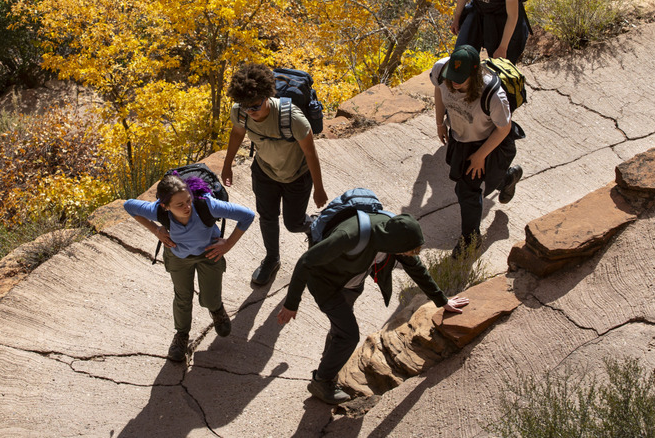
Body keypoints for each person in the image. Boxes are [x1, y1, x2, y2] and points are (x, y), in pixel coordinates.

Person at [276, 212, 469, 404]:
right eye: (410, 251)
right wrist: (291, 304)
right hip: (325, 285)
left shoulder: (395, 237)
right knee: (349, 335)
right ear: (397, 243)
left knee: (341, 330)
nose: (412, 255)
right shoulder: (350, 236)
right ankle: (321, 381)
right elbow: (305, 262)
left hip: (351, 284)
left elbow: (416, 269)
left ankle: (330, 364)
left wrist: (442, 301)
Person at [124, 173, 255, 362]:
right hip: (178, 257)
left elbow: (247, 216)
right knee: (183, 296)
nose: (187, 207)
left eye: (188, 200)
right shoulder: (157, 211)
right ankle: (181, 336)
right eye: (179, 205)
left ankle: (216, 310)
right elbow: (129, 206)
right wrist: (155, 230)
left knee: (210, 296)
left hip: (208, 255)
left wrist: (228, 245)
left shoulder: (206, 206)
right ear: (165, 206)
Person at [222, 63, 328, 286]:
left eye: (255, 106)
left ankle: (314, 225)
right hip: (264, 173)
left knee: (293, 223)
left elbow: (311, 153)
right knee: (267, 218)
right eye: (246, 106)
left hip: (296, 176)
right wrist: (227, 164)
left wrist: (318, 188)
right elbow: (236, 134)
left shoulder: (292, 117)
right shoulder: (240, 112)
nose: (251, 111)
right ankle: (272, 259)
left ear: (267, 97)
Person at [431, 44, 523, 258]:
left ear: (474, 74)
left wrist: (480, 156)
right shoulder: (441, 70)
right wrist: (440, 123)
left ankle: (470, 240)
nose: (453, 81)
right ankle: (508, 178)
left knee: (466, 190)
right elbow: (438, 87)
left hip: (489, 143)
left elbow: (504, 129)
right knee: (471, 182)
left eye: (460, 77)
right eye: (451, 75)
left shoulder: (492, 94)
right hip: (461, 137)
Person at [451, 0, 531, 64]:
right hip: (479, 11)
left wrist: (503, 48)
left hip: (504, 20)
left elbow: (512, 17)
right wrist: (457, 18)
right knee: (460, 57)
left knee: (500, 66)